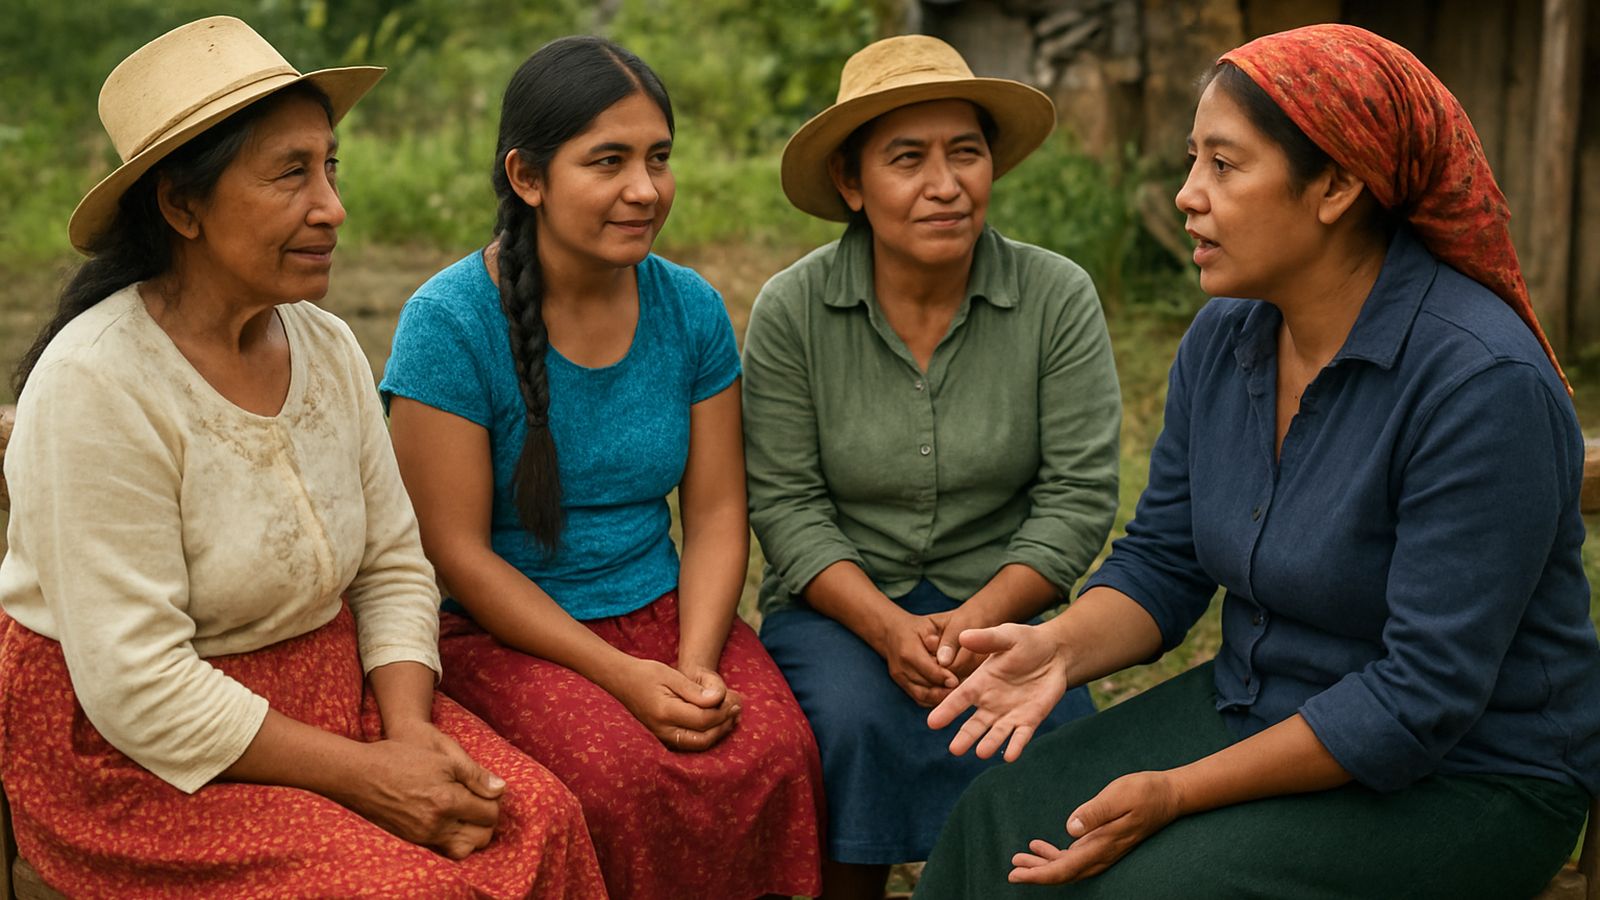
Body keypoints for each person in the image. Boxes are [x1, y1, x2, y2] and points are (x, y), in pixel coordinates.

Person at [915, 24, 1600, 899]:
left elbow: (1419, 698)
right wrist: (1057, 648)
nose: (1186, 197)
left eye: (1224, 166)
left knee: (1144, 889)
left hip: (1470, 774)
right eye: (1191, 161)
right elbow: (1164, 561)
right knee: (995, 820)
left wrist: (1175, 794)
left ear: (1339, 185)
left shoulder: (1479, 383)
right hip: (1254, 703)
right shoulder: (1228, 335)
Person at [0, 17, 604, 898]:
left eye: (331, 167)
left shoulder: (323, 344)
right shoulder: (98, 383)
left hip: (333, 695)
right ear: (181, 206)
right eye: (291, 174)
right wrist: (367, 779)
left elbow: (394, 563)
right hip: (142, 758)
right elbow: (140, 687)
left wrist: (403, 733)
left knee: (539, 819)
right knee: (414, 889)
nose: (332, 206)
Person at [380, 35, 824, 900]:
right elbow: (456, 554)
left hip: (667, 614)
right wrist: (620, 677)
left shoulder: (689, 307)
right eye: (608, 161)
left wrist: (698, 663)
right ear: (528, 176)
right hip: (507, 633)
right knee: (621, 781)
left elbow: (720, 512)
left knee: (777, 754)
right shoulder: (449, 324)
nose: (644, 190)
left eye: (659, 159)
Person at [742, 35, 1121, 899]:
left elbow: (1077, 495)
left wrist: (978, 621)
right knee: (843, 729)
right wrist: (884, 626)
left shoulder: (1055, 297)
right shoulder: (793, 311)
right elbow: (788, 504)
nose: (945, 185)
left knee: (1047, 753)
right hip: (841, 614)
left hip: (1006, 616)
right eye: (907, 159)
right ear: (851, 184)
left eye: (967, 153)